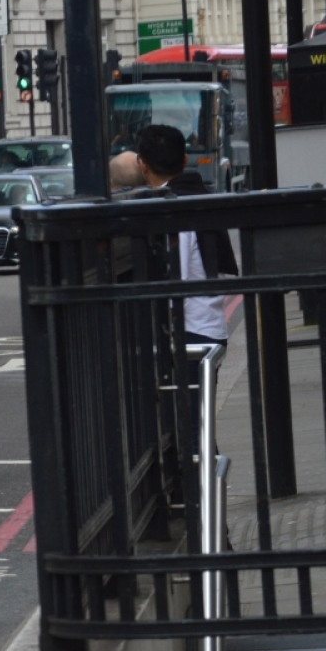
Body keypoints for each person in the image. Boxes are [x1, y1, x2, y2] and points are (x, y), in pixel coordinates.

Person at [135, 124, 239, 441]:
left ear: (142, 164)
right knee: (196, 431)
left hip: (190, 335)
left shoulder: (172, 208)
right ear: (184, 159)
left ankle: (202, 489)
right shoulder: (197, 197)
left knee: (191, 434)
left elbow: (170, 282)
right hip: (209, 328)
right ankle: (204, 486)